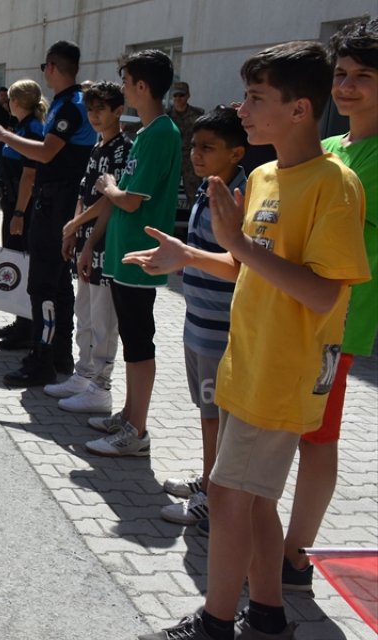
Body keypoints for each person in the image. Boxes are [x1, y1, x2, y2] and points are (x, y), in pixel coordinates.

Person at [129, 41, 369, 640]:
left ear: (299, 110)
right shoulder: (263, 175)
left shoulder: (334, 186)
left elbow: (322, 294)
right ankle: (266, 615)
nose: (242, 109)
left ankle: (215, 625)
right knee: (255, 499)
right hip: (247, 363)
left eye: (257, 98)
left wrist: (237, 245)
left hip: (284, 372)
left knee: (229, 496)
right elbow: (253, 266)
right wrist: (193, 256)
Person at [281, 15, 378, 595]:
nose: (346, 87)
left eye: (363, 76)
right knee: (290, 431)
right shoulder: (334, 146)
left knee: (316, 439)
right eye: (341, 74)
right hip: (292, 314)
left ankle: (296, 559)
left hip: (339, 325)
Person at [82, 50, 180, 457]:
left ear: (141, 86)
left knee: (140, 345)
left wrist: (107, 187)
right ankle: (128, 415)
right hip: (127, 255)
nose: (123, 89)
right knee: (133, 339)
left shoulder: (160, 134)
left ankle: (135, 431)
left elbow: (132, 201)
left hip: (141, 258)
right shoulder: (146, 132)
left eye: (125, 83)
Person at [0, 40, 96, 386]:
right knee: (58, 283)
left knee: (43, 284)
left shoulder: (70, 106)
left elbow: (46, 154)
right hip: (58, 200)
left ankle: (42, 358)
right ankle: (59, 354)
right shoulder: (69, 102)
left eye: (44, 66)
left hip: (58, 201)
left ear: (51, 67)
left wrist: (3, 135)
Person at [155, 105, 247, 529]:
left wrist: (187, 257)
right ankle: (209, 479)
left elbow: (236, 261)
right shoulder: (206, 188)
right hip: (198, 323)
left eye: (208, 147)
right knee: (206, 413)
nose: (196, 153)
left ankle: (214, 497)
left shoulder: (239, 196)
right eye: (194, 145)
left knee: (216, 417)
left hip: (220, 330)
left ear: (236, 153)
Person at [48, 81, 130, 414]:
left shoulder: (123, 149)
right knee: (84, 312)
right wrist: (73, 231)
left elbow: (110, 202)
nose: (95, 116)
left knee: (102, 320)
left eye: (102, 109)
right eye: (91, 110)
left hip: (104, 245)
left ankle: (101, 386)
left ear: (119, 111)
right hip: (84, 242)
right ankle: (83, 375)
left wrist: (82, 232)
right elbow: (85, 195)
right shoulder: (97, 147)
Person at [0, 80, 46, 350]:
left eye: (10, 99)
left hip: (21, 207)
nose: (6, 103)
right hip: (12, 204)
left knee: (23, 263)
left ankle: (27, 327)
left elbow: (30, 175)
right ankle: (20, 322)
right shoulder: (22, 127)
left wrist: (20, 213)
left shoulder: (33, 130)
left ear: (17, 101)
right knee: (16, 259)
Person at [169, 81, 206, 211]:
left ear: (188, 95)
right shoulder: (165, 116)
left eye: (181, 95)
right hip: (171, 159)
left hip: (191, 160)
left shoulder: (198, 115)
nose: (178, 99)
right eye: (175, 96)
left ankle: (196, 225)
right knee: (167, 195)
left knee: (195, 195)